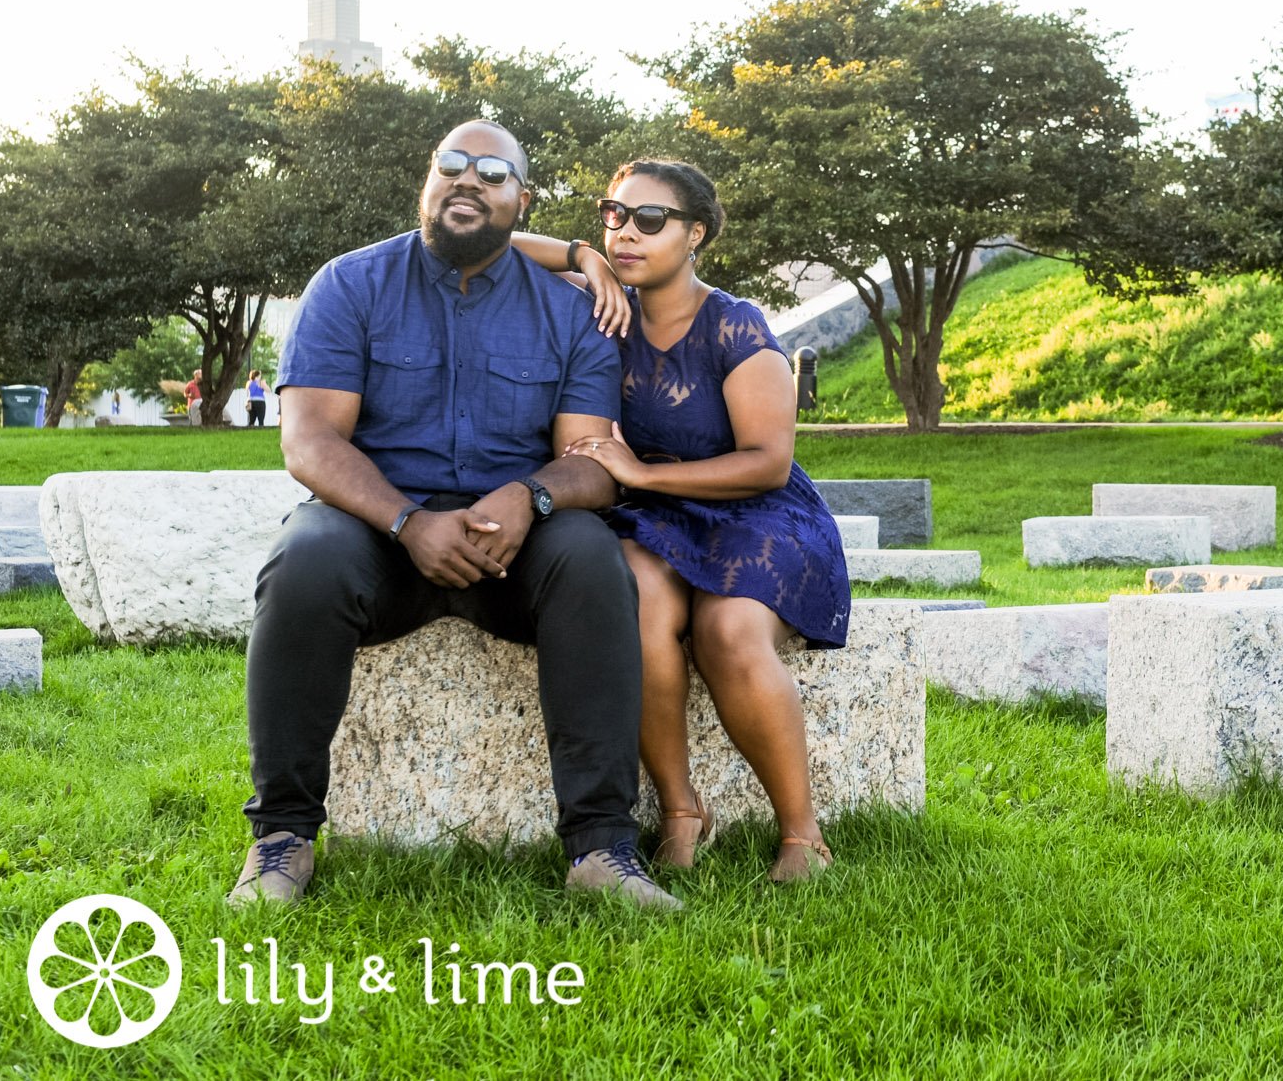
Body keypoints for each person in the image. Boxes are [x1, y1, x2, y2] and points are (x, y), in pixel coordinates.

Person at [229, 120, 678, 912]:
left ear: (521, 200)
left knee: (589, 556)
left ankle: (602, 848)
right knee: (305, 556)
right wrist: (408, 522)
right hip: (378, 536)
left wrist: (529, 497)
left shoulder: (571, 313)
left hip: (516, 547)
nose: (470, 180)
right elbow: (307, 440)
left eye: (494, 172)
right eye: (453, 164)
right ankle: (281, 839)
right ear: (427, 180)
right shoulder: (350, 284)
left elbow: (593, 461)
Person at [514, 159, 848, 883]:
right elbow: (491, 240)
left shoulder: (735, 323)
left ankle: (801, 832)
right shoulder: (600, 305)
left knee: (726, 630)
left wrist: (642, 473)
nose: (624, 232)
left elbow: (766, 459)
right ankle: (680, 808)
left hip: (756, 513)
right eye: (612, 215)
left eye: (649, 220)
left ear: (694, 233)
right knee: (632, 606)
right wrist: (583, 260)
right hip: (656, 521)